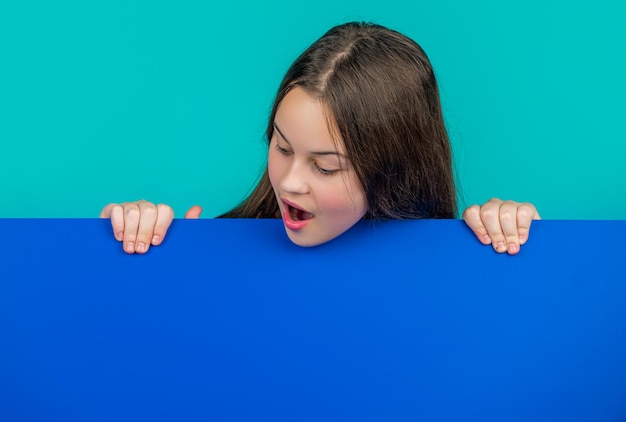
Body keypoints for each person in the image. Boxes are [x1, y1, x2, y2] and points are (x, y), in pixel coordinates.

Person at [101, 22, 540, 254]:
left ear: (394, 168)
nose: (290, 181)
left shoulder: (450, 263)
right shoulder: (214, 248)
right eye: (282, 147)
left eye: (326, 166)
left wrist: (513, 230)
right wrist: (124, 233)